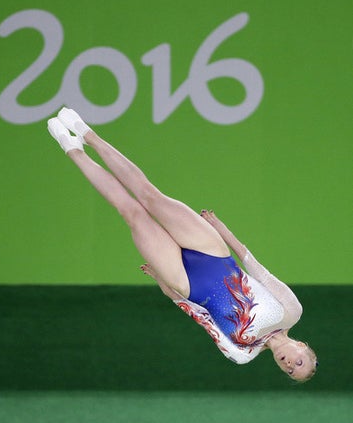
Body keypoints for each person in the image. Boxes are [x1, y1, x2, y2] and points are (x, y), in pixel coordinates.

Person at [46, 107, 317, 381]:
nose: (289, 365)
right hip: (213, 253)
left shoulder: (242, 353)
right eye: (299, 362)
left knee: (132, 212)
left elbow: (203, 319)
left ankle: (71, 149)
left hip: (186, 282)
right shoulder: (291, 312)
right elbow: (255, 267)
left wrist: (164, 283)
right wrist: (221, 229)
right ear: (302, 346)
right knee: (149, 195)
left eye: (290, 371)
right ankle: (86, 132)